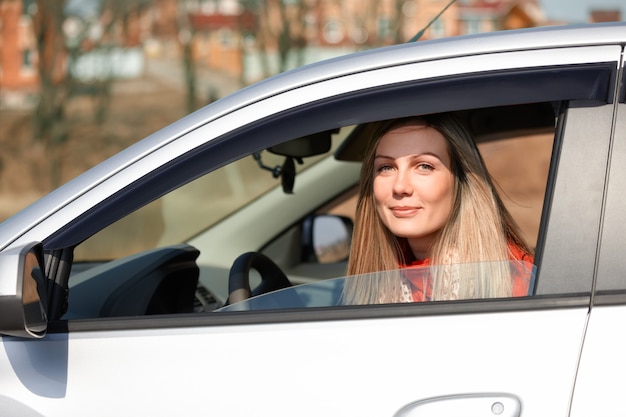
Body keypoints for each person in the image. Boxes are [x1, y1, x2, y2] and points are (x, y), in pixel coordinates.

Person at [343, 113, 534, 305]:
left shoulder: (517, 281)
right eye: (386, 168)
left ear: (462, 181)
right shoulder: (375, 283)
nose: (400, 187)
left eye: (424, 166)